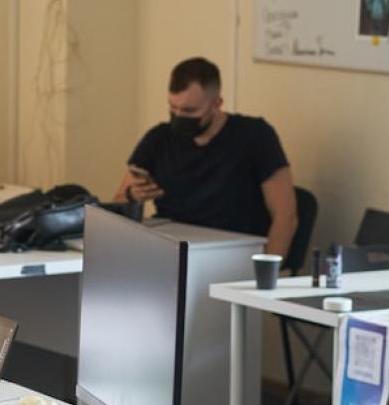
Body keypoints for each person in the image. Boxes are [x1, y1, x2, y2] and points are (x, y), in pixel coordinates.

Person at [114, 57, 297, 258]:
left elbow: (285, 216)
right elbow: (117, 205)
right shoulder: (159, 138)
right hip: (171, 248)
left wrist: (267, 270)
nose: (179, 116)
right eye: (173, 108)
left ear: (216, 104)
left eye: (189, 110)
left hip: (231, 251)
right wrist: (131, 196)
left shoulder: (254, 136)